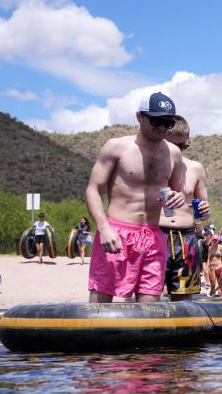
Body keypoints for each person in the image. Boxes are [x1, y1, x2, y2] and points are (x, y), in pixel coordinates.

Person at [85, 92, 186, 303]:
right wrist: (103, 228)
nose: (161, 127)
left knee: (150, 311)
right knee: (99, 308)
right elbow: (93, 189)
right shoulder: (116, 147)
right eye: (156, 120)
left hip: (153, 235)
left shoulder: (174, 153)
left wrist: (178, 198)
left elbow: (179, 193)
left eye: (167, 123)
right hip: (117, 233)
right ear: (139, 116)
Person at [161, 116, 211, 301]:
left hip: (187, 238)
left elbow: (204, 209)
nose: (176, 151)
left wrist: (205, 209)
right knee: (149, 296)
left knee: (184, 299)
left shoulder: (195, 168)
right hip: (157, 234)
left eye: (181, 146)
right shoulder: (149, 166)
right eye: (170, 146)